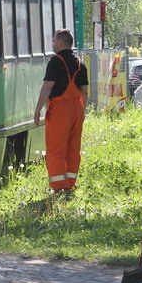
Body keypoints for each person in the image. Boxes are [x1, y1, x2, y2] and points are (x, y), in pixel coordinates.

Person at [33, 29, 89, 193]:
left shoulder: (55, 62)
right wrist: (82, 112)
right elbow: (84, 91)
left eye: (53, 41)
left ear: (60, 43)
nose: (52, 44)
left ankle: (58, 186)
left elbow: (47, 87)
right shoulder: (80, 63)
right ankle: (70, 183)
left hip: (60, 110)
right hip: (77, 109)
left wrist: (37, 110)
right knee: (73, 148)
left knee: (56, 149)